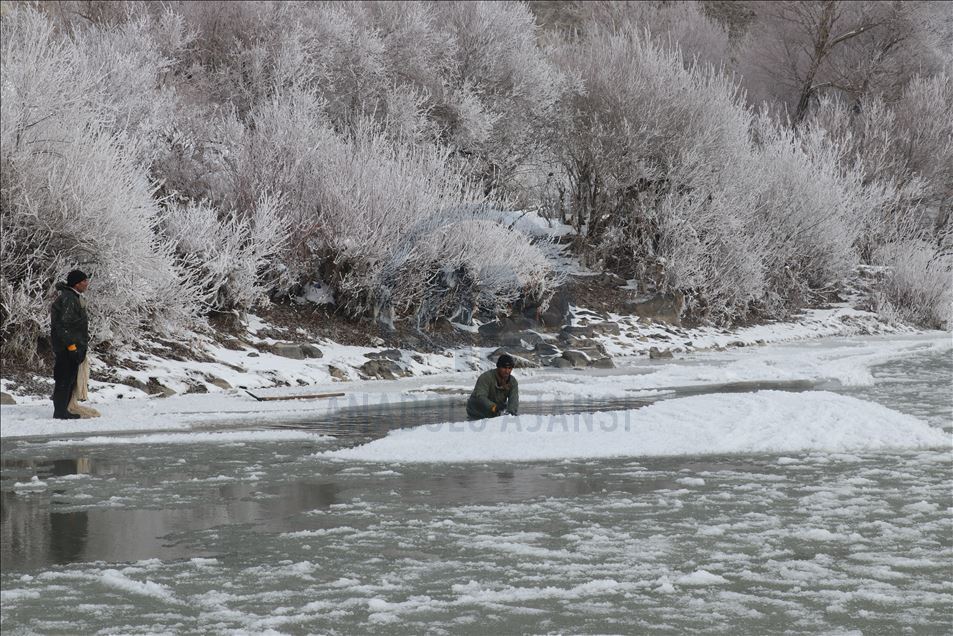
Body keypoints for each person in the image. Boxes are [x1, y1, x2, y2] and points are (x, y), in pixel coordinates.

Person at [50, 270, 90, 419]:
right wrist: (72, 347)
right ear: (77, 283)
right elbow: (64, 326)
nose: (87, 283)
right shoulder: (68, 299)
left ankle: (63, 409)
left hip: (72, 346)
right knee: (64, 378)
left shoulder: (74, 297)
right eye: (84, 281)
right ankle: (60, 412)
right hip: (67, 348)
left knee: (69, 378)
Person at [466, 353, 520, 419]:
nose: (507, 371)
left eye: (509, 368)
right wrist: (493, 407)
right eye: (504, 368)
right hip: (476, 412)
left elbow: (513, 399)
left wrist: (511, 412)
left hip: (494, 412)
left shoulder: (512, 382)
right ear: (498, 367)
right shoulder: (486, 377)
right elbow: (480, 396)